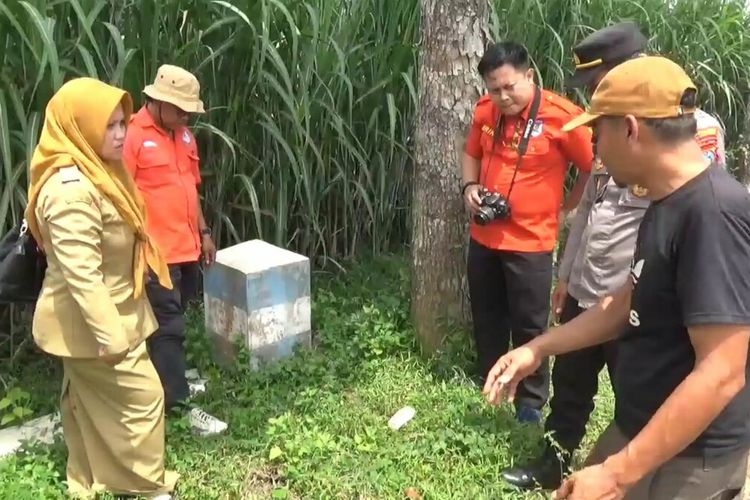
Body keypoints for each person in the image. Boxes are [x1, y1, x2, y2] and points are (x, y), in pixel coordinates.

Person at [484, 55, 750, 499]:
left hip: (689, 456)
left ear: (630, 129)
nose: (594, 149)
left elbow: (722, 371)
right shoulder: (665, 201)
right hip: (642, 422)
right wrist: (537, 348)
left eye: (596, 132)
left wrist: (616, 473)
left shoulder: (713, 215)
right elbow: (627, 301)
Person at [25, 78, 178, 499]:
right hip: (92, 325)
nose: (120, 133)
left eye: (122, 123)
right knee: (144, 399)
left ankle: (88, 478)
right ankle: (146, 488)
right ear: (79, 127)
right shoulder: (71, 192)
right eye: (108, 125)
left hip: (109, 315)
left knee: (84, 404)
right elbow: (82, 278)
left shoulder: (99, 172)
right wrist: (112, 338)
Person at [462, 41, 594, 423]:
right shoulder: (484, 111)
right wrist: (469, 188)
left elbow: (593, 165)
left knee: (530, 323)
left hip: (532, 242)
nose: (502, 97)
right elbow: (471, 152)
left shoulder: (562, 116)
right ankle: (492, 380)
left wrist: (570, 206)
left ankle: (531, 401)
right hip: (485, 236)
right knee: (487, 314)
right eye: (493, 88)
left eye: (509, 87)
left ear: (529, 76)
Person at [123, 64, 227, 436]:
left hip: (186, 248)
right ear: (160, 101)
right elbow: (121, 197)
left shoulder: (184, 137)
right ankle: (179, 405)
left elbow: (190, 189)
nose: (186, 117)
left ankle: (159, 383)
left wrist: (205, 233)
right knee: (170, 326)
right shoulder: (132, 136)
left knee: (172, 319)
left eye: (188, 111)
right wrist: (137, 248)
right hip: (155, 254)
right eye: (181, 110)